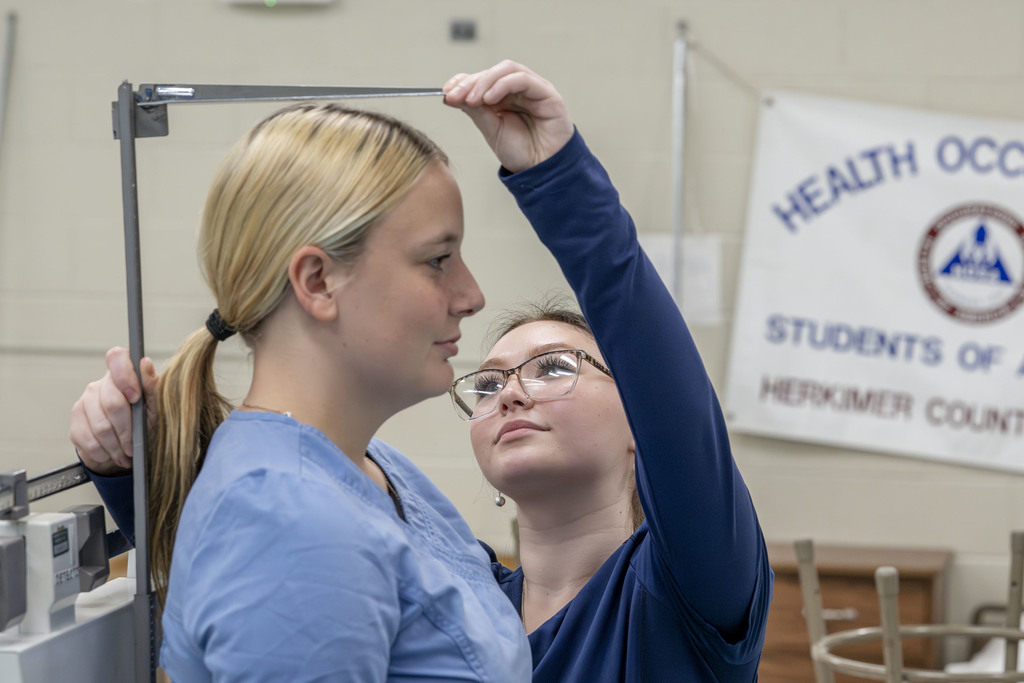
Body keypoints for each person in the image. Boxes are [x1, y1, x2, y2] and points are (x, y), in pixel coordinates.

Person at [73, 61, 773, 682]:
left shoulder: (681, 588)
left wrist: (559, 178)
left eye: (556, 366)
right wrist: (136, 468)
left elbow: (673, 403)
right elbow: (263, 565)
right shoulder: (462, 578)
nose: (512, 392)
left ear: (638, 420)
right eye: (491, 382)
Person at [74, 101, 532, 681]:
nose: (471, 295)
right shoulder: (288, 520)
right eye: (438, 260)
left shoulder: (373, 467)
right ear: (318, 282)